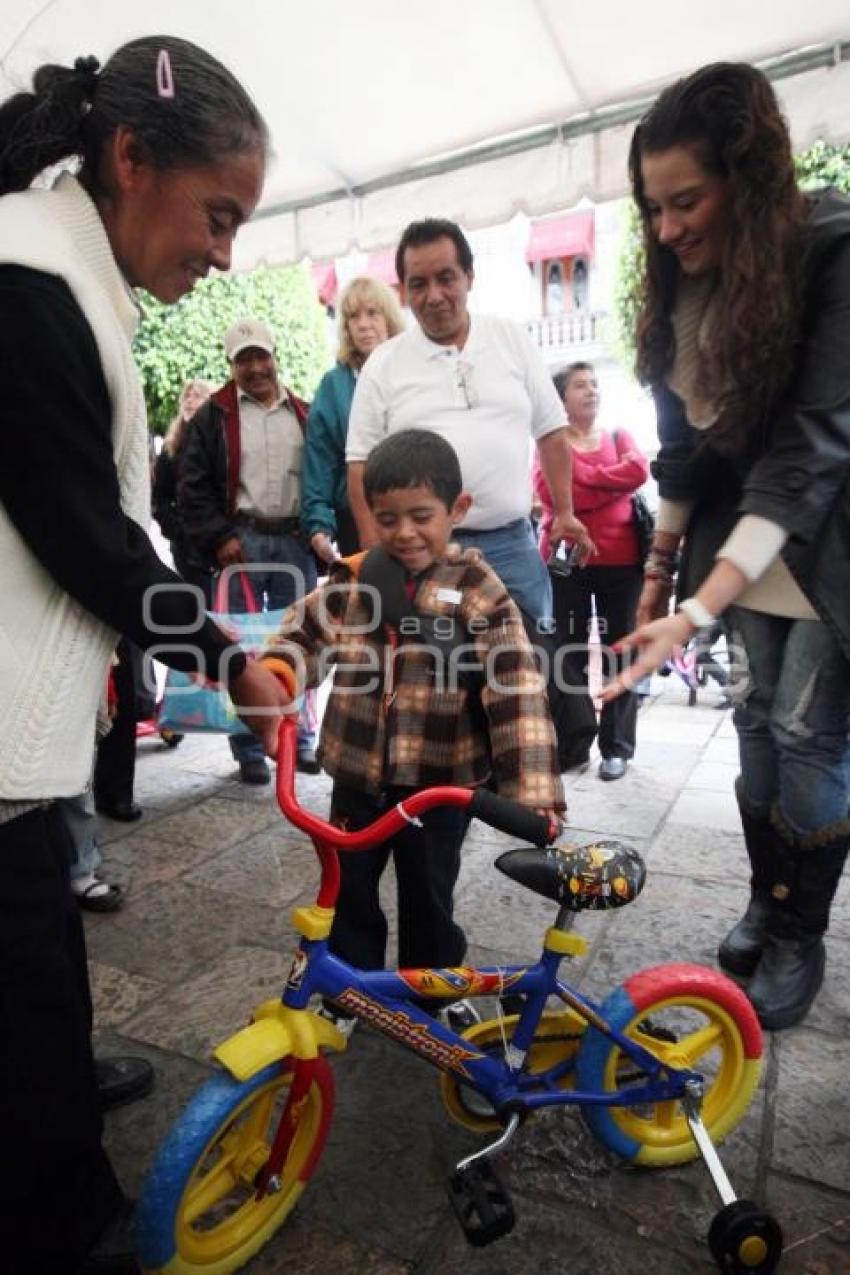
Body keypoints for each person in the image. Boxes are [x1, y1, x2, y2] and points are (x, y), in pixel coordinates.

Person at [0, 36, 286, 1274]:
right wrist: (225, 657)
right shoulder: (23, 279)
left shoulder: (65, 267)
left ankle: (56, 1086)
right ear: (130, 159)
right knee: (20, 976)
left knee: (44, 942)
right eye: (217, 214)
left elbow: (115, 512)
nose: (224, 253)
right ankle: (68, 1220)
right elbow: (85, 535)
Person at [602, 62, 850, 1031]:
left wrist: (694, 608)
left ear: (748, 179)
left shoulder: (831, 252)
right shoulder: (677, 284)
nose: (665, 230)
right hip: (737, 554)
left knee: (806, 738)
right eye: (650, 208)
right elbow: (681, 453)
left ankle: (801, 935)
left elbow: (807, 454)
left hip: (825, 551)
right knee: (750, 735)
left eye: (685, 201)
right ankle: (766, 899)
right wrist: (660, 583)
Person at [260, 430, 566, 1028]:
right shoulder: (351, 581)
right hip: (356, 775)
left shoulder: (480, 593)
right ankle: (350, 990)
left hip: (440, 787)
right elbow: (301, 636)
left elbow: (518, 690)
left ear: (457, 510)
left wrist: (532, 799)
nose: (404, 533)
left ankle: (434, 996)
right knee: (346, 890)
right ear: (370, 516)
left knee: (429, 896)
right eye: (388, 518)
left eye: (422, 516)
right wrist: (275, 675)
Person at [345, 217, 593, 629]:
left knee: (526, 673)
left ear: (469, 277)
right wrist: (378, 556)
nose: (434, 296)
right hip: (424, 555)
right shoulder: (382, 364)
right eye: (419, 284)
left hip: (513, 546)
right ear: (404, 292)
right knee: (437, 681)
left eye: (446, 278)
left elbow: (551, 433)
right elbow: (359, 469)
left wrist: (563, 512)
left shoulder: (511, 339)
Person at [179, 316, 320, 783]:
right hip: (240, 541)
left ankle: (297, 738)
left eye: (262, 356)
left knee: (298, 642)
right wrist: (219, 537)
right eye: (245, 359)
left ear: (274, 356)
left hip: (294, 539)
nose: (256, 367)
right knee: (240, 643)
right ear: (231, 364)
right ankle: (249, 748)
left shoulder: (304, 413)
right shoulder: (211, 416)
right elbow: (191, 484)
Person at [534, 362, 649, 780]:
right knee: (569, 653)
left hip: (623, 561)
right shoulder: (551, 441)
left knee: (623, 650)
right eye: (580, 385)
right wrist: (611, 484)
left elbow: (640, 471)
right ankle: (575, 741)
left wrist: (585, 479)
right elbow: (549, 490)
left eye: (595, 384)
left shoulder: (620, 435)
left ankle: (616, 747)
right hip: (569, 564)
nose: (591, 391)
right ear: (561, 398)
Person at [302, 276, 405, 565]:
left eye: (372, 313)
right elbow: (320, 459)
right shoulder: (333, 386)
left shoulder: (412, 371)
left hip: (415, 512)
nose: (363, 324)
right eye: (353, 317)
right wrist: (319, 524)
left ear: (389, 319)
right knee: (373, 605)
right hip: (356, 519)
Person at [152, 376, 214, 602]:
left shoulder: (220, 442)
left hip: (219, 543)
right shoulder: (172, 448)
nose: (189, 400)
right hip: (186, 547)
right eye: (186, 396)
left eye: (197, 395)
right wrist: (176, 531)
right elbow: (159, 497)